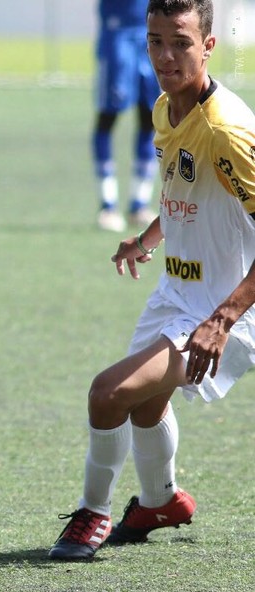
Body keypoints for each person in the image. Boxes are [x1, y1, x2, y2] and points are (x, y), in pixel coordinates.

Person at [49, 0, 255, 560]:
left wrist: (222, 320)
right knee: (144, 405)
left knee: (108, 393)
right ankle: (161, 501)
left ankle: (92, 513)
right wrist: (146, 239)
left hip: (226, 307)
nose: (165, 56)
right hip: (177, 292)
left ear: (208, 46)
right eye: (155, 41)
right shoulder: (166, 107)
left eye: (181, 42)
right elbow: (182, 189)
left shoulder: (227, 131)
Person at [94, 0, 162, 232]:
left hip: (151, 33)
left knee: (150, 117)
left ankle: (139, 203)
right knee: (108, 117)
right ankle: (108, 205)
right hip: (118, 34)